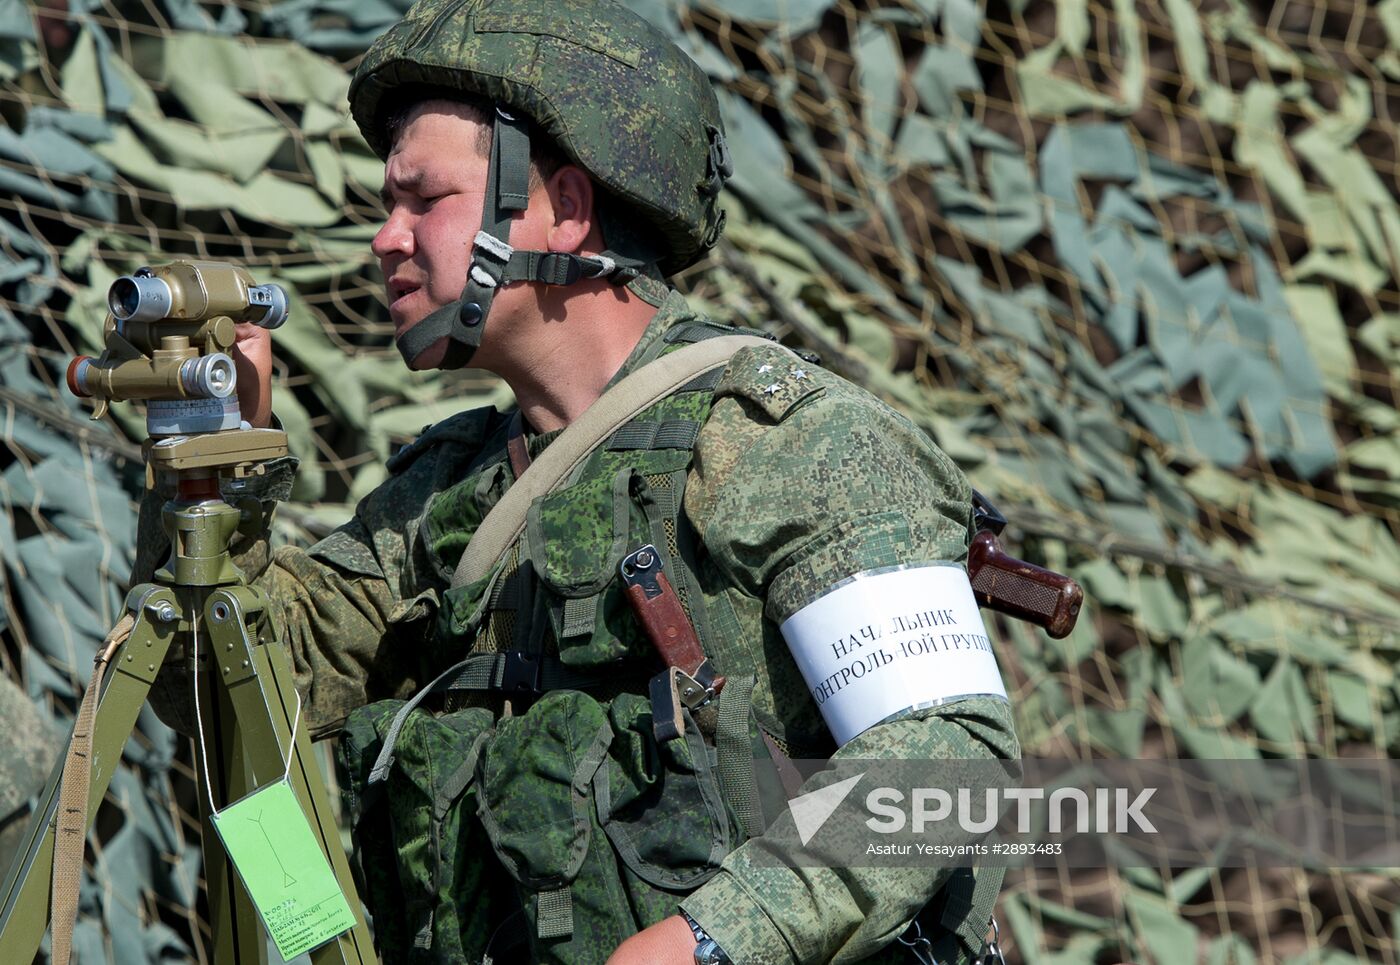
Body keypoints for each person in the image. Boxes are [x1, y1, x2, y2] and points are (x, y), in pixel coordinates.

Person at [132, 1, 1018, 962]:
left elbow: (950, 763)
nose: (385, 240)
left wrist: (708, 942)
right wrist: (215, 474)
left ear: (564, 204)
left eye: (424, 200)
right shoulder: (448, 492)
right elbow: (227, 694)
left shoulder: (788, 443)